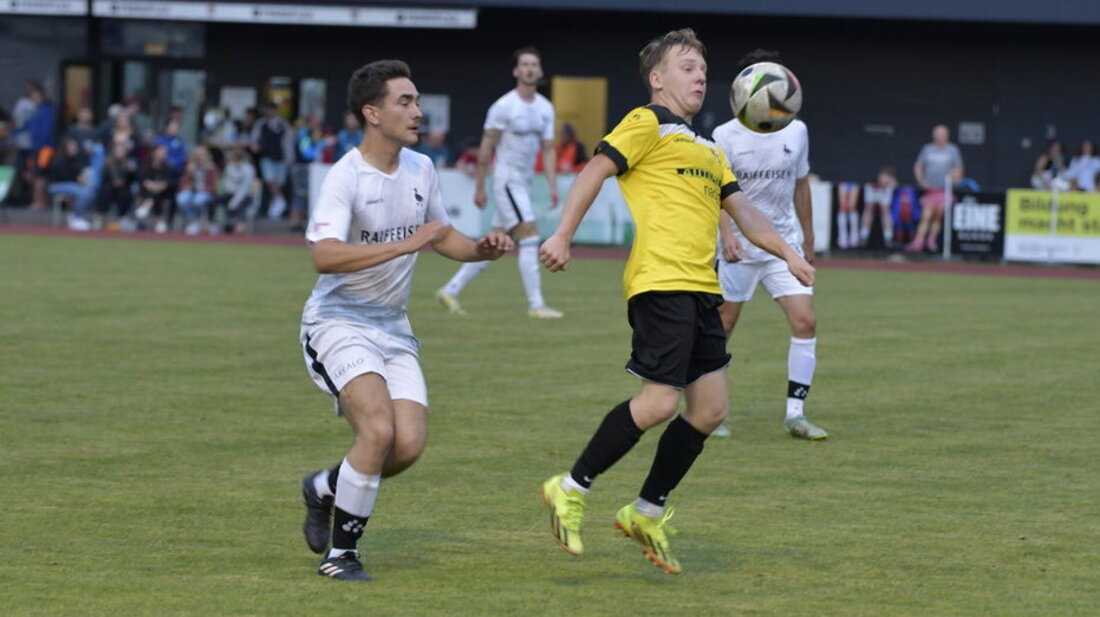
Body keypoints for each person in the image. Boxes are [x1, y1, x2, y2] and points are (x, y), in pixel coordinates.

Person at [537, 29, 815, 575]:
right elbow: (596, 168)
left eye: (703, 68)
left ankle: (646, 510)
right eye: (686, 66)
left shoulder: (709, 147)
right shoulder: (646, 123)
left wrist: (787, 250)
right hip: (660, 283)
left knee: (709, 411)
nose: (700, 76)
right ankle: (568, 487)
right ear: (657, 78)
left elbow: (745, 213)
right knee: (661, 402)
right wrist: (563, 233)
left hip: (702, 290)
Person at [296, 59, 514, 582]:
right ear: (372, 113)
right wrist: (407, 242)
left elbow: (442, 236)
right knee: (377, 429)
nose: (418, 111)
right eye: (405, 102)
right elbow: (324, 255)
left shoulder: (422, 168)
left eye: (416, 101)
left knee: (408, 445)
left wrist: (482, 249)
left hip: (392, 326)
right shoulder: (344, 176)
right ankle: (341, 556)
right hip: (337, 321)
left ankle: (324, 488)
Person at [708, 49, 827, 441]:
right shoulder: (724, 135)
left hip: (783, 244)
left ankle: (796, 414)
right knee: (722, 327)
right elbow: (719, 193)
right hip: (739, 247)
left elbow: (801, 184)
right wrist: (726, 237)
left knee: (805, 320)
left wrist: (808, 240)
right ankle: (714, 411)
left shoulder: (797, 129)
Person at [436, 47, 563, 318]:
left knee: (494, 243)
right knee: (530, 234)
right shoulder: (504, 106)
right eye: (524, 65)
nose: (529, 69)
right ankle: (536, 305)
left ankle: (450, 290)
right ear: (516, 71)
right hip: (506, 180)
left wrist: (552, 185)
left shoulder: (545, 108)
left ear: (540, 71)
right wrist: (481, 185)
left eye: (534, 65)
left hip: (525, 183)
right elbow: (486, 148)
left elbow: (549, 149)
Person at [906, 124, 963, 253]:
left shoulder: (952, 150)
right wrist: (921, 181)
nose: (940, 137)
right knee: (926, 215)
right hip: (930, 190)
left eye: (942, 134)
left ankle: (931, 241)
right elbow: (919, 165)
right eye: (937, 134)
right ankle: (918, 241)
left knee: (938, 216)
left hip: (945, 190)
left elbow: (958, 168)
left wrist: (956, 178)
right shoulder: (928, 149)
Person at [251, 101, 294, 220]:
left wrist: (290, 158)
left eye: (271, 109)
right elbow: (254, 140)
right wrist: (255, 145)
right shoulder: (261, 124)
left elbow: (288, 142)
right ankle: (279, 201)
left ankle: (275, 203)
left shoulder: (283, 124)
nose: (269, 112)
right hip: (266, 157)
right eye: (267, 109)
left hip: (280, 158)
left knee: (278, 183)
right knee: (270, 180)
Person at [46, 136, 96, 230]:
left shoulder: (76, 161)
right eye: (71, 146)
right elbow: (60, 176)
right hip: (56, 185)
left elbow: (80, 175)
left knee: (89, 191)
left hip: (72, 186)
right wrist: (77, 179)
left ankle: (76, 215)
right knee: (80, 191)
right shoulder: (58, 159)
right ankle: (77, 217)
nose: (73, 149)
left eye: (74, 147)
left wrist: (81, 180)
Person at [176, 145, 219, 235]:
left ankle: (198, 222)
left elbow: (214, 185)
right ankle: (193, 220)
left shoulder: (211, 168)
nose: (201, 157)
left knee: (198, 199)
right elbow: (183, 181)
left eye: (203, 155)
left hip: (206, 192)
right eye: (198, 155)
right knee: (181, 198)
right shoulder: (191, 167)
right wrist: (186, 186)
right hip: (192, 191)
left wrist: (204, 189)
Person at [135, 143, 177, 233]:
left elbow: (172, 181)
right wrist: (149, 184)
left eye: (164, 152)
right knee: (152, 192)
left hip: (163, 192)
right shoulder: (146, 164)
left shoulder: (168, 166)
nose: (163, 154)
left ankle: (147, 205)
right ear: (154, 153)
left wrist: (163, 185)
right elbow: (141, 178)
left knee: (158, 194)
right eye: (161, 152)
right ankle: (160, 220)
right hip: (147, 190)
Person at [861, 166, 897, 247]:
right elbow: (869, 206)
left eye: (887, 177)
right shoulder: (870, 181)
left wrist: (887, 185)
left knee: (885, 211)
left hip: (885, 191)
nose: (885, 179)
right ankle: (864, 237)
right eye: (883, 176)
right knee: (869, 209)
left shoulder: (890, 183)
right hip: (872, 189)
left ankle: (888, 238)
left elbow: (894, 183)